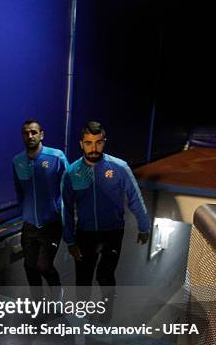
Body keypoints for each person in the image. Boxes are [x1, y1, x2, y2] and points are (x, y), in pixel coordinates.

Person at [61, 121, 150, 297]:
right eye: (88, 143)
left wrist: (144, 226)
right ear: (81, 144)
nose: (93, 147)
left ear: (104, 142)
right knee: (83, 280)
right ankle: (83, 320)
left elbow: (135, 198)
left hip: (113, 232)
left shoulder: (120, 167)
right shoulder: (71, 172)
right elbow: (67, 209)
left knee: (105, 275)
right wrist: (70, 240)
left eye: (98, 142)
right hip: (85, 233)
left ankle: (105, 319)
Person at [13, 120, 68, 298]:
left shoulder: (56, 157)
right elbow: (19, 191)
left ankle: (56, 294)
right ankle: (37, 301)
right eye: (26, 132)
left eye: (34, 132)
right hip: (29, 225)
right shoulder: (18, 161)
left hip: (51, 224)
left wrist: (66, 215)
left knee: (44, 265)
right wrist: (24, 212)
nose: (30, 136)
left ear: (41, 135)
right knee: (30, 267)